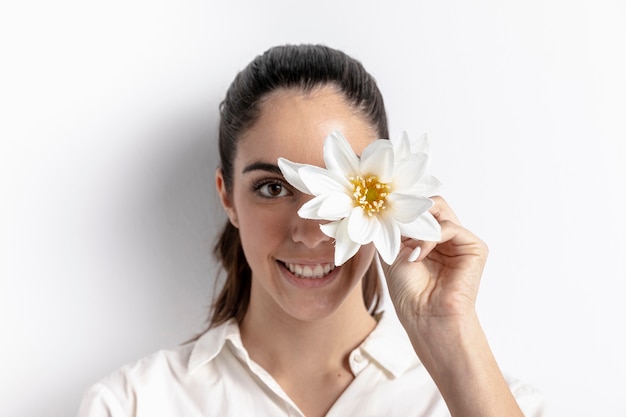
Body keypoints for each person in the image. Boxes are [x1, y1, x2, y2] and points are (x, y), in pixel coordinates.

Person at [78, 44, 545, 417]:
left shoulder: (486, 402)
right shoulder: (132, 405)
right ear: (227, 196)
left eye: (341, 189)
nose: (311, 232)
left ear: (389, 190)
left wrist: (450, 335)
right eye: (273, 187)